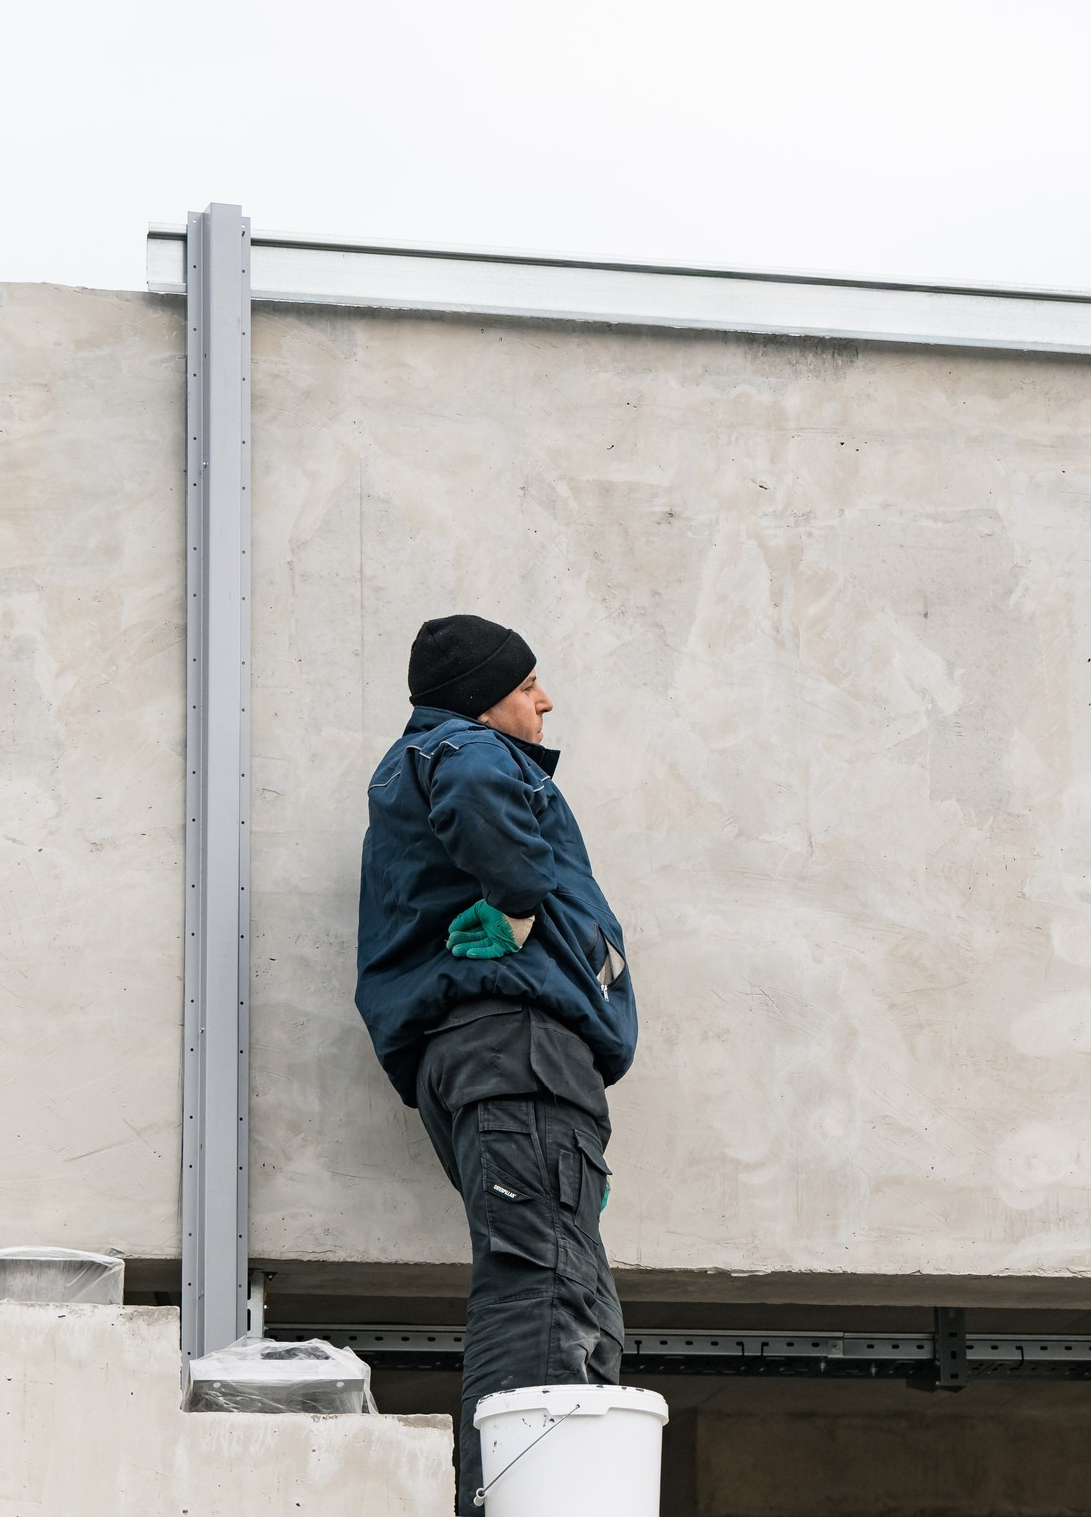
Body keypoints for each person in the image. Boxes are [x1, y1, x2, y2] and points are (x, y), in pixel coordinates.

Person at [355, 614, 638, 1511]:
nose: (544, 699)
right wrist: (517, 900)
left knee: (566, 1285)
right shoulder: (462, 750)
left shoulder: (438, 757)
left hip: (517, 1063)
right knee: (545, 1285)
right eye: (525, 687)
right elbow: (475, 775)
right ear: (482, 702)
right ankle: (531, 1496)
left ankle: (554, 1484)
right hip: (516, 1048)